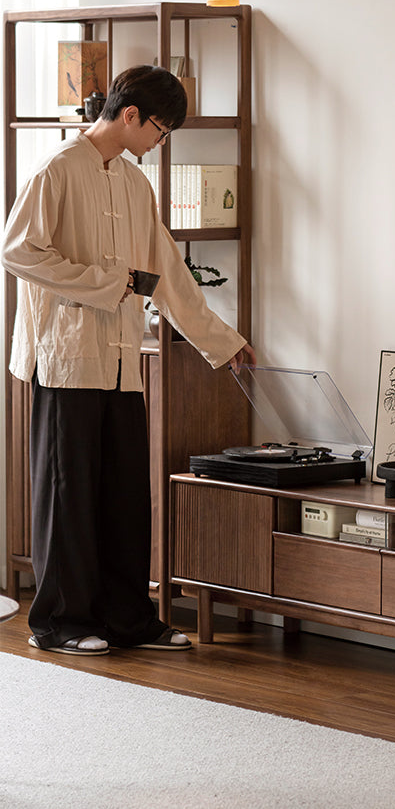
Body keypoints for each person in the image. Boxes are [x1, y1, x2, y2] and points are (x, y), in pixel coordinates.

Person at [1, 65, 256, 657]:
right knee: (69, 494)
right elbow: (17, 251)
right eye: (161, 132)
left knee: (123, 494)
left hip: (120, 361)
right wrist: (106, 284)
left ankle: (127, 618)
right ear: (131, 115)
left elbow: (168, 274)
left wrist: (221, 340)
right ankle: (60, 623)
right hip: (65, 358)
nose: (159, 144)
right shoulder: (56, 169)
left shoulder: (136, 186)